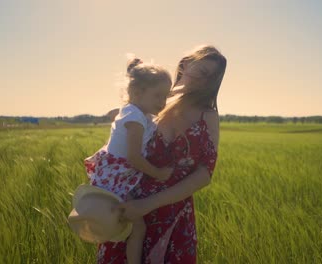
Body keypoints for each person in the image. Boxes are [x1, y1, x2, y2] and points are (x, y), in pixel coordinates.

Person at [97, 45, 227, 263]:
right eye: (202, 72)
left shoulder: (208, 116)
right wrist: (104, 183)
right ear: (185, 64)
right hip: (128, 206)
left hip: (172, 214)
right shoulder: (153, 105)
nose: (205, 81)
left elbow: (205, 174)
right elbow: (120, 146)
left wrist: (148, 204)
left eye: (211, 78)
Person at [84, 57, 173, 264]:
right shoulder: (135, 118)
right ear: (136, 93)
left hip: (117, 174)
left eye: (165, 96)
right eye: (157, 96)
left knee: (122, 224)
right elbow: (134, 158)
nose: (163, 102)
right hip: (117, 176)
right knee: (133, 226)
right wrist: (158, 174)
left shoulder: (139, 113)